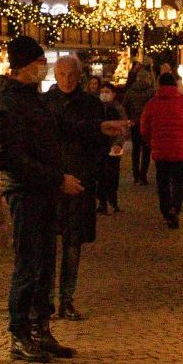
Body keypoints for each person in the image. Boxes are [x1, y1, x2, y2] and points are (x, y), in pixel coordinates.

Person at [0, 35, 84, 362]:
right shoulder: (8, 103)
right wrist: (57, 179)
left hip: (44, 191)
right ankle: (19, 333)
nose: (44, 67)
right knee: (28, 264)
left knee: (45, 263)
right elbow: (16, 158)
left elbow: (53, 134)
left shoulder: (32, 97)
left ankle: (40, 329)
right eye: (39, 62)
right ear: (24, 66)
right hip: (26, 191)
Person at [48, 56, 130, 320]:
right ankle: (47, 300)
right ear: (55, 75)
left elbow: (99, 144)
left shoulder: (91, 105)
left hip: (81, 181)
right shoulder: (45, 103)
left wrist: (91, 172)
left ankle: (66, 299)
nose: (67, 80)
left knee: (73, 243)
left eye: (71, 75)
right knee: (48, 244)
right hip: (52, 181)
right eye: (62, 75)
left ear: (79, 76)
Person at [139, 68, 183, 227]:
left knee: (163, 183)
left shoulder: (152, 104)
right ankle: (175, 207)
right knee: (179, 183)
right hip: (180, 151)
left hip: (160, 152)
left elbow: (144, 128)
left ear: (159, 85)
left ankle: (166, 211)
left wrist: (151, 143)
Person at [121, 64, 157, 186]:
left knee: (136, 150)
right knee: (146, 150)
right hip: (147, 124)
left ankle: (136, 175)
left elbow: (124, 106)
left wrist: (130, 119)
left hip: (135, 123)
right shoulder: (151, 92)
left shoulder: (130, 91)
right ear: (147, 78)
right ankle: (143, 176)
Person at [96, 81, 126, 212]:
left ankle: (113, 200)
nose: (104, 94)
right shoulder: (96, 108)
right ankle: (102, 202)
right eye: (102, 92)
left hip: (114, 147)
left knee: (113, 174)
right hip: (99, 146)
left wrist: (118, 143)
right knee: (100, 174)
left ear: (113, 94)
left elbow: (123, 127)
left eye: (107, 92)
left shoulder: (118, 108)